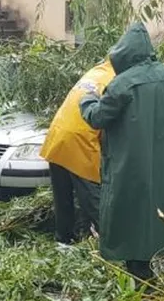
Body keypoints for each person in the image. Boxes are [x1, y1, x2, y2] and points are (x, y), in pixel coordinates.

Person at [80, 23, 164, 283]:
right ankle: (157, 269)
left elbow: (97, 118)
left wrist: (87, 99)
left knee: (131, 220)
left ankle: (142, 278)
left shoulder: (121, 85)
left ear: (123, 56)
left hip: (130, 168)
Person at [40, 59, 115, 245]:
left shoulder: (96, 72)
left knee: (63, 197)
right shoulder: (115, 80)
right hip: (80, 141)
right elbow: (108, 119)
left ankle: (64, 240)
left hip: (58, 136)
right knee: (93, 200)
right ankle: (112, 244)